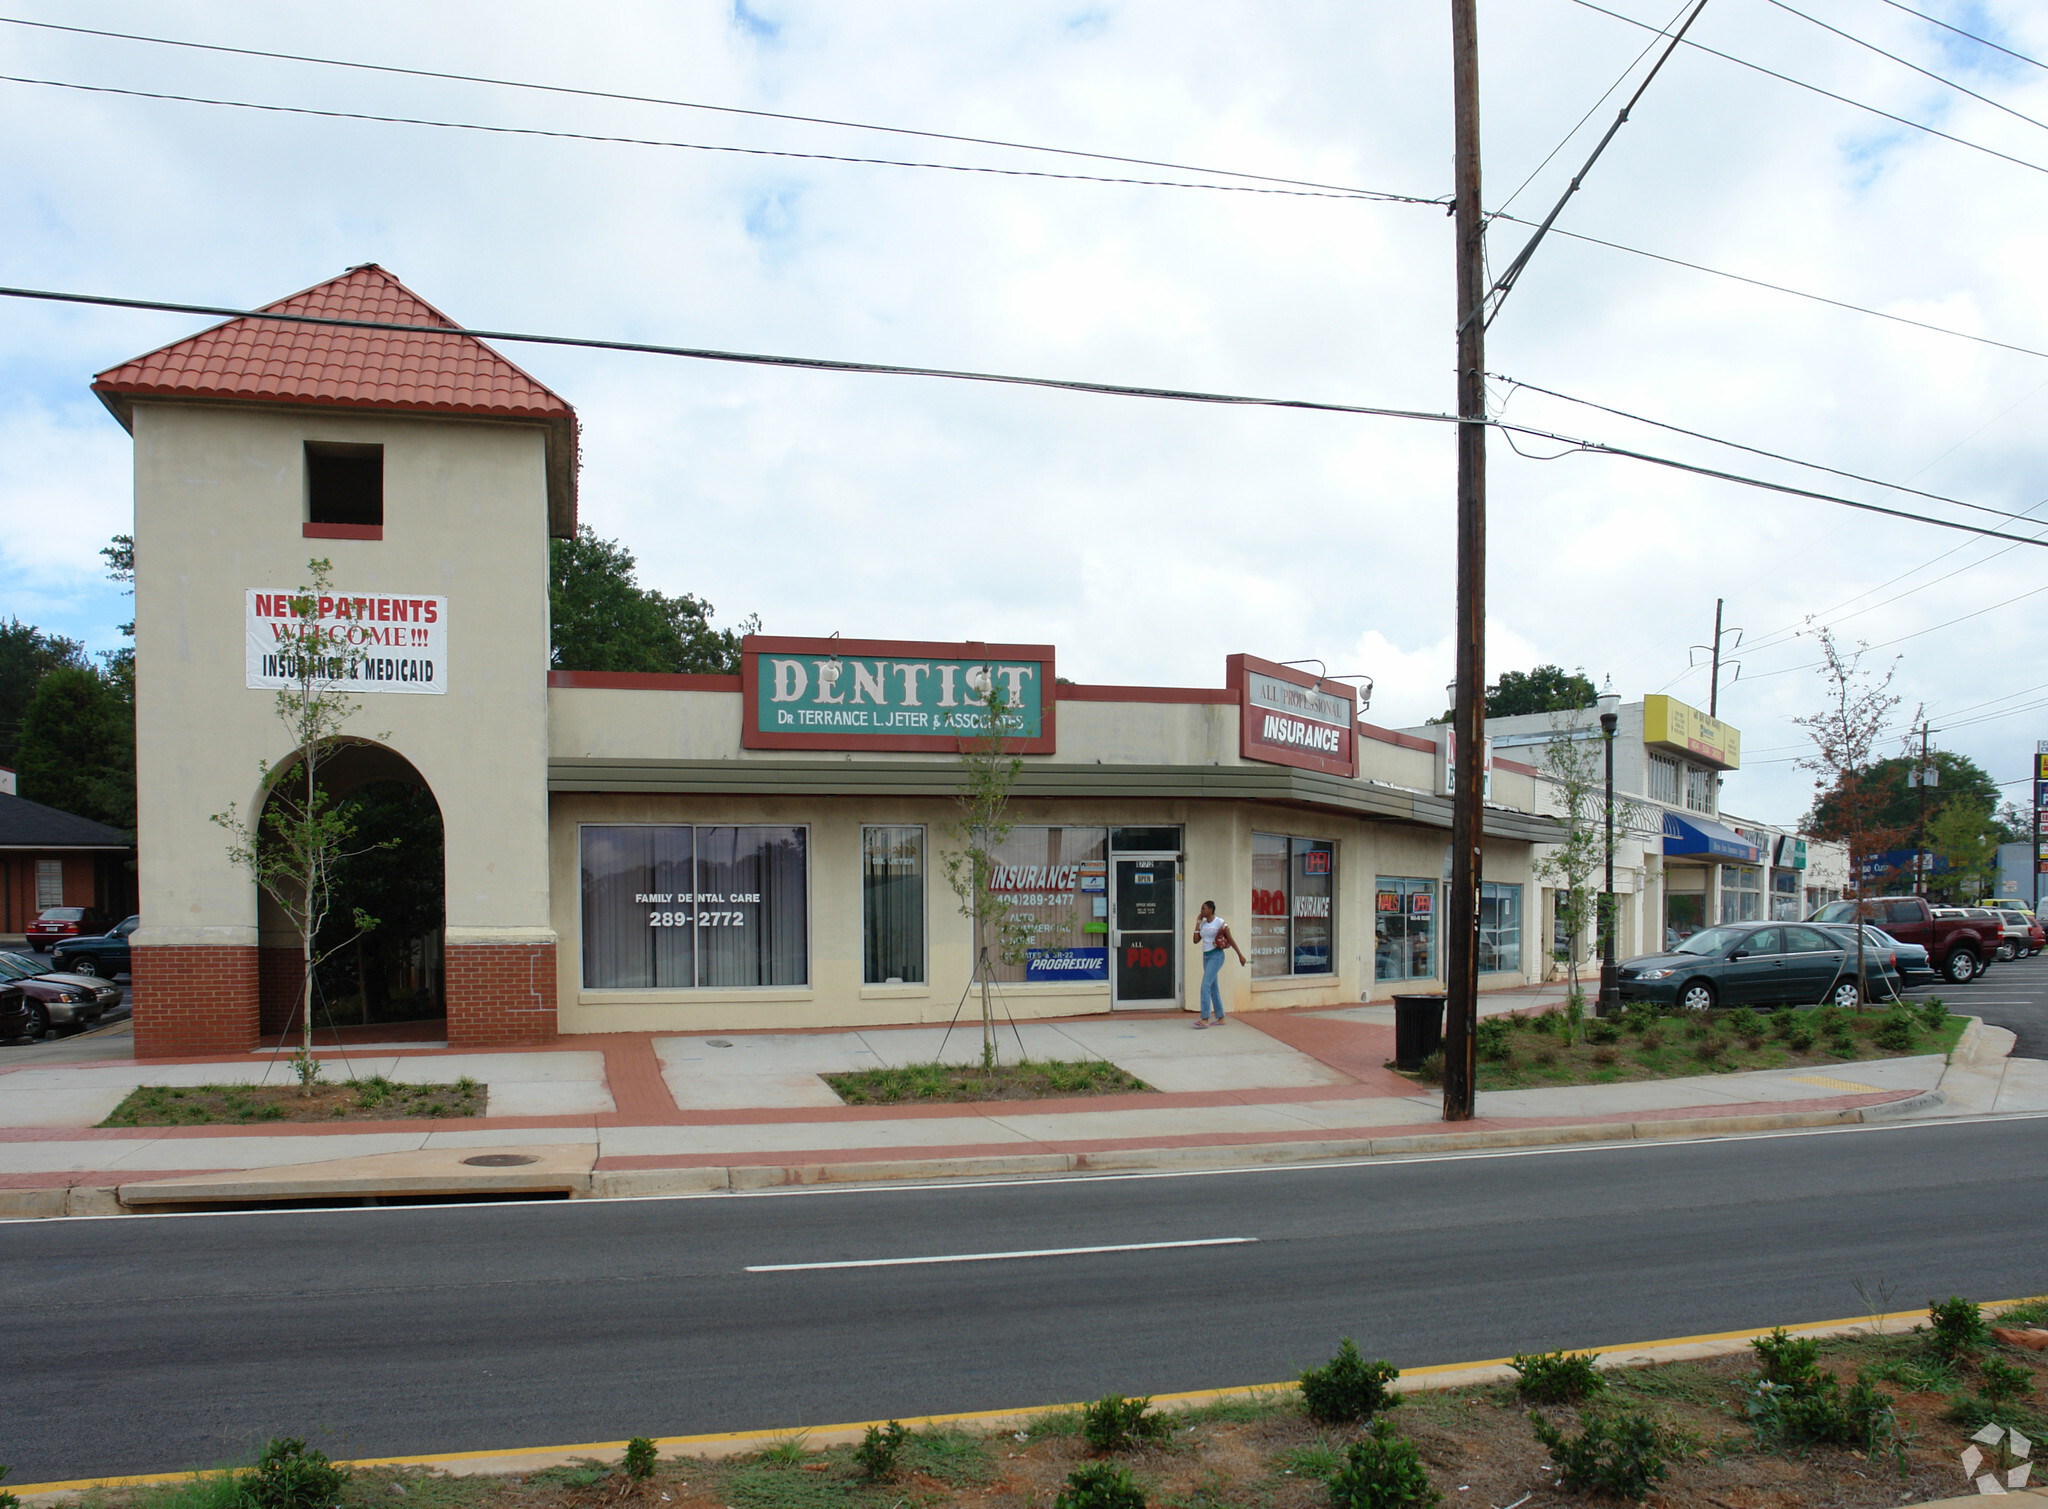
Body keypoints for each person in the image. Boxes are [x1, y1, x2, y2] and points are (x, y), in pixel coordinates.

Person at [1192, 900, 1246, 1027]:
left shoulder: (1220, 923)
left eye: (1204, 908)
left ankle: (1205, 1018)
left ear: (1211, 910)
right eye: (1201, 909)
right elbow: (1195, 940)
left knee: (1205, 985)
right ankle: (1220, 1017)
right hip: (1206, 956)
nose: (1202, 911)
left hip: (1216, 956)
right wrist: (1197, 924)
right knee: (1213, 987)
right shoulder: (1203, 924)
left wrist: (1240, 955)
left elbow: (1230, 939)